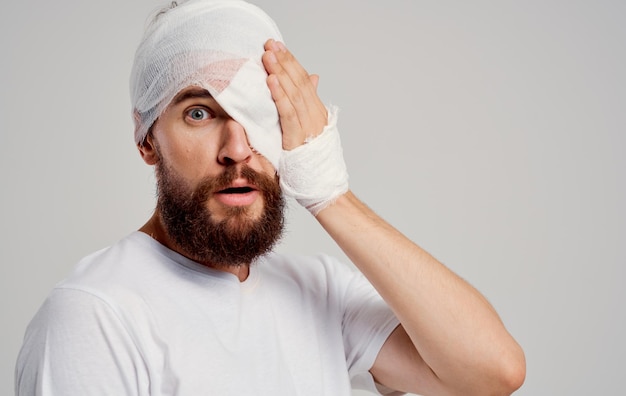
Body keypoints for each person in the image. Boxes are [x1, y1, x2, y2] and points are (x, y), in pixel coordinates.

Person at [15, 0, 526, 395]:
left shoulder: (320, 293)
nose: (238, 149)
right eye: (199, 112)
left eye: (257, 110)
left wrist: (330, 195)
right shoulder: (96, 313)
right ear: (147, 138)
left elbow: (491, 372)